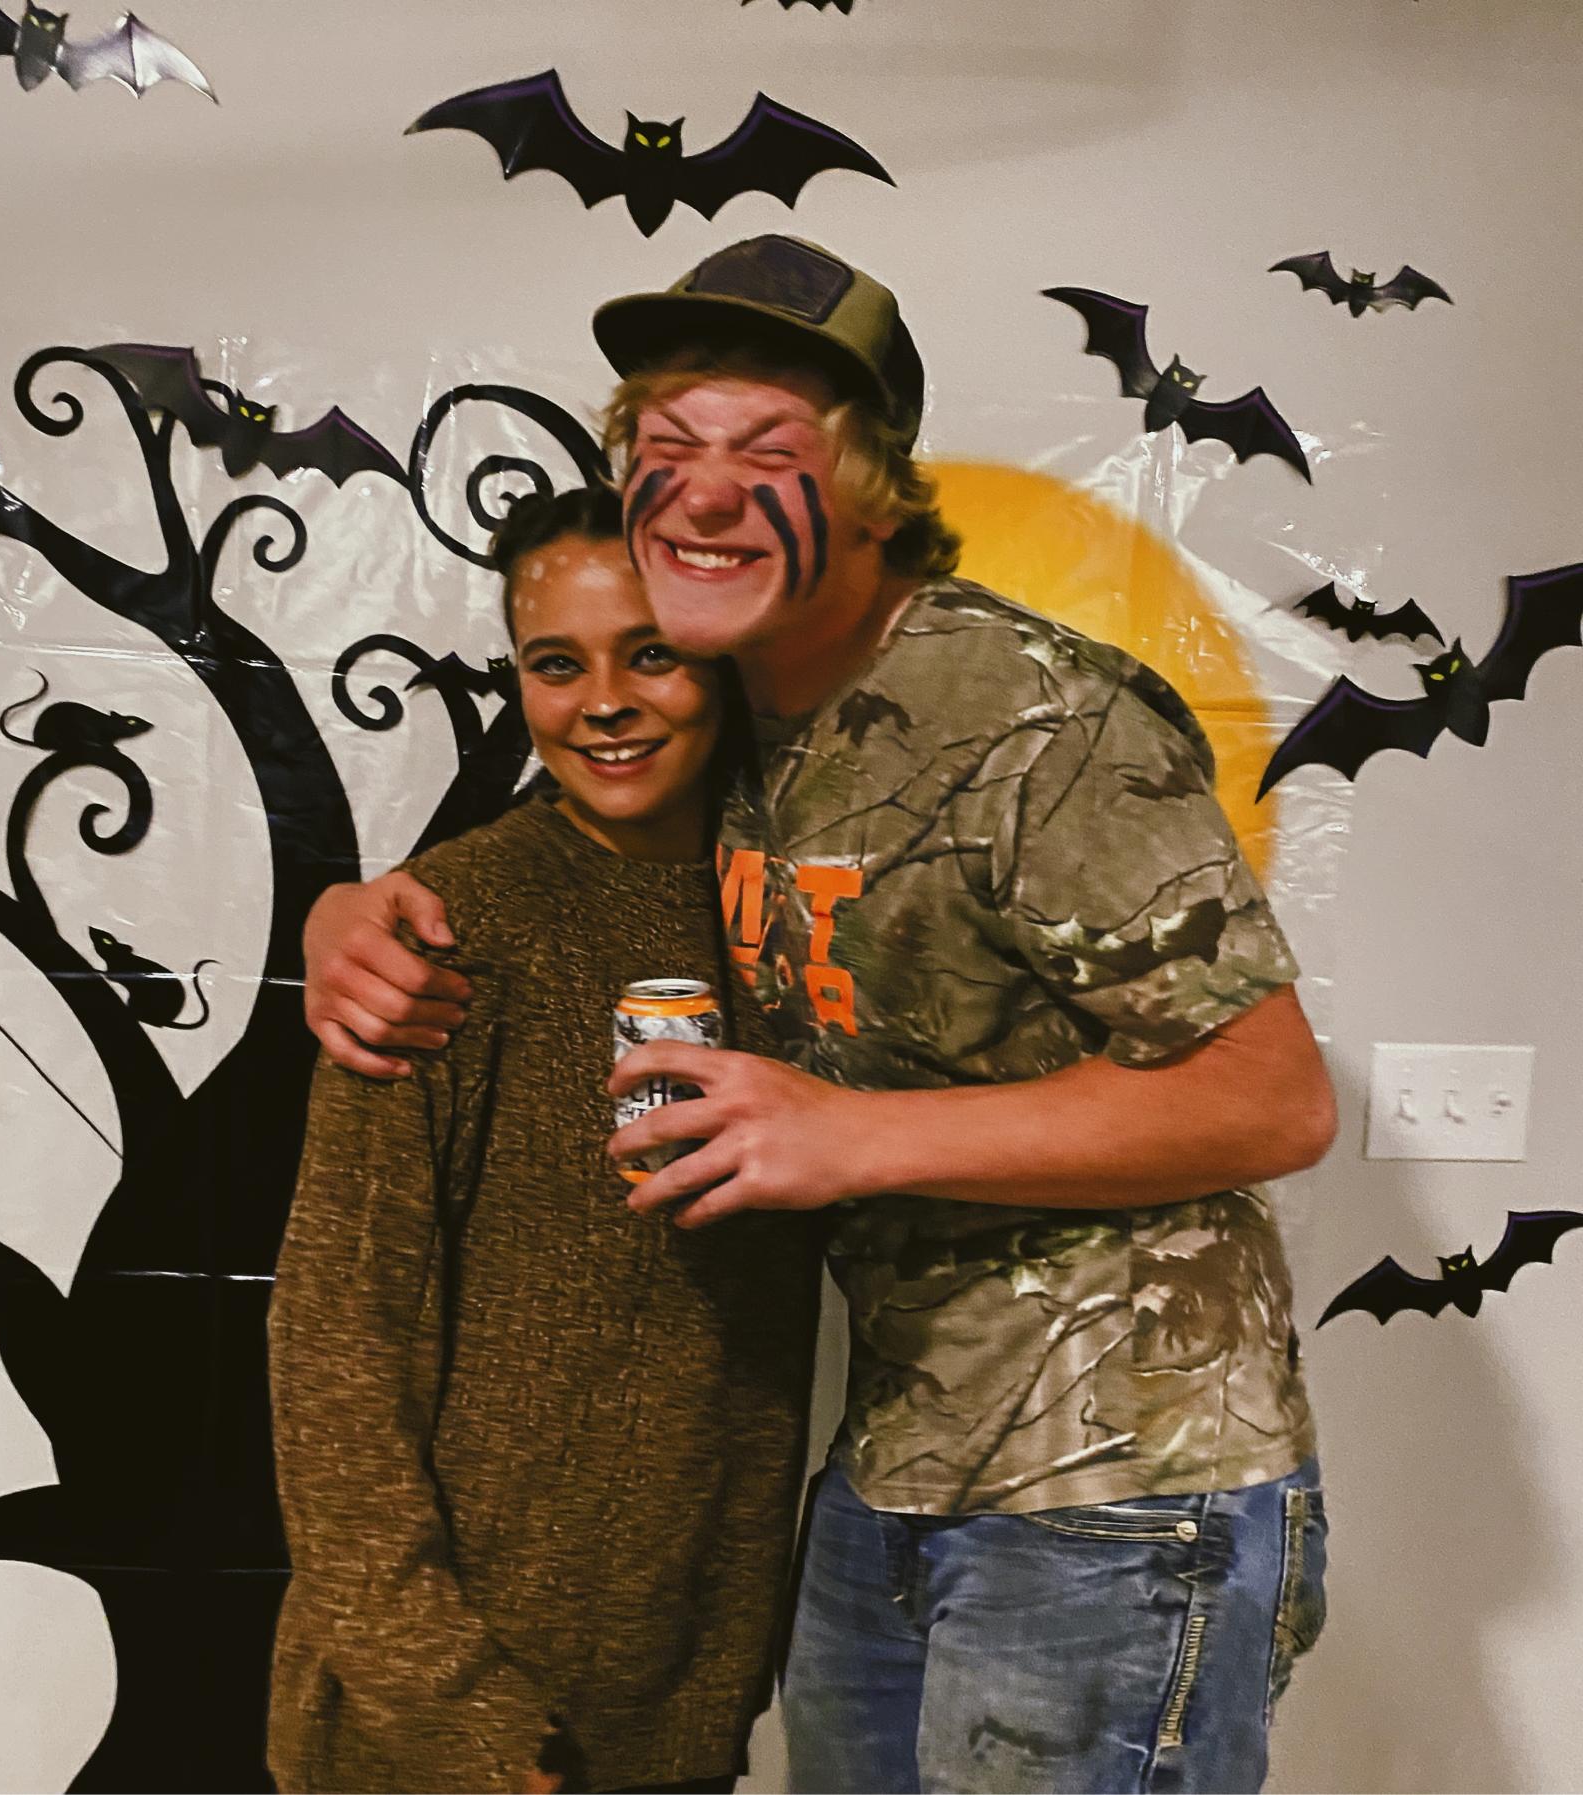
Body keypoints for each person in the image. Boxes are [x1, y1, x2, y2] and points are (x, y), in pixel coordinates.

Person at [301, 236, 1338, 1794]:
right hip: (895, 1470)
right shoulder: (749, 716)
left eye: (767, 451)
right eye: (669, 446)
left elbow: (1273, 1099)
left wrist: (849, 1135)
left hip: (1113, 1485)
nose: (706, 495)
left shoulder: (1038, 717)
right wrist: (348, 910)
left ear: (867, 487)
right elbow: (588, 814)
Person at [267, 483, 823, 1795]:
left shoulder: (796, 923)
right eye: (556, 664)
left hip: (676, 1709)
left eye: (652, 654)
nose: (604, 703)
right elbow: (336, 1347)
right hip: (451, 1731)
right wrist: (462, 1716)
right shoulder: (446, 933)